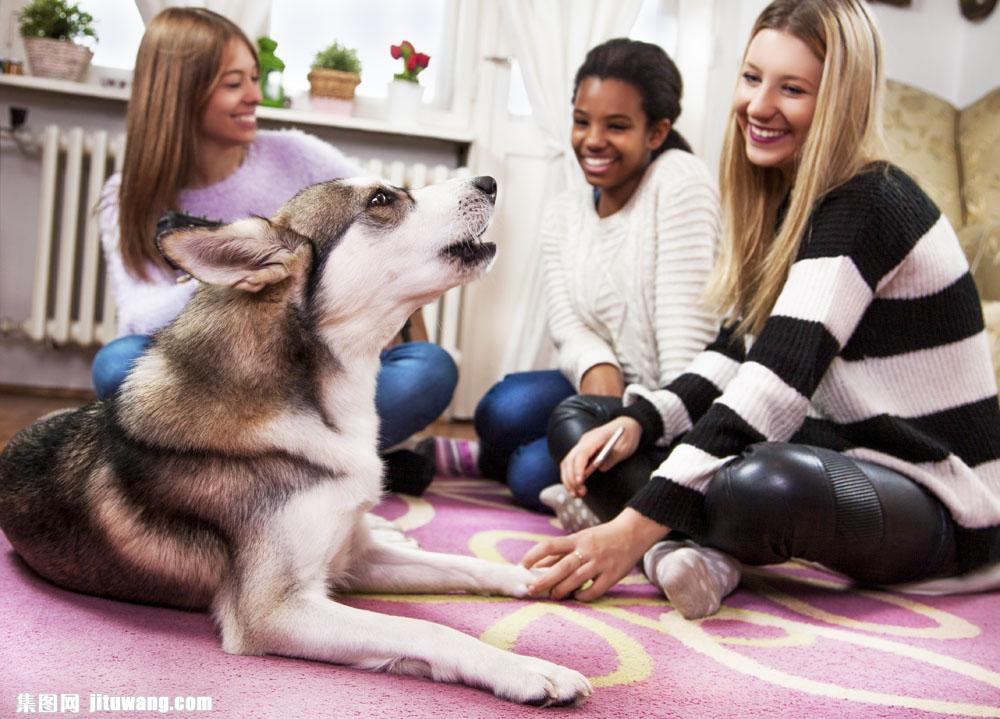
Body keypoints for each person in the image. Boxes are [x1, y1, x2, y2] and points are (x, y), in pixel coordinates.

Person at [524, 0, 1000, 618]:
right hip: (845, 449)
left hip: (942, 502)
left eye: (792, 88)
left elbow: (772, 386)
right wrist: (640, 421)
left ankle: (665, 540)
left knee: (767, 483)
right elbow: (733, 354)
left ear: (839, 100)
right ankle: (686, 552)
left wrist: (630, 529)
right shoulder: (790, 203)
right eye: (752, 78)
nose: (759, 106)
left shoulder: (869, 202)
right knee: (591, 423)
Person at [94, 7, 455, 491]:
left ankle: (292, 468)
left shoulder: (298, 154)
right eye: (233, 83)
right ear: (180, 92)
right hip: (223, 385)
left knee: (429, 369)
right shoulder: (125, 195)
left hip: (326, 372)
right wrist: (235, 262)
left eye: (255, 78)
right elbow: (139, 316)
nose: (255, 96)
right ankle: (352, 465)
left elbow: (391, 216)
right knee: (117, 366)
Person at [436, 39, 721, 512]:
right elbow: (568, 323)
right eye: (582, 121)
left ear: (656, 132)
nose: (591, 140)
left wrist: (643, 422)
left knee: (528, 473)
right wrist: (597, 368)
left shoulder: (680, 181)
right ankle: (522, 464)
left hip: (666, 407)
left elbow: (686, 357)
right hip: (596, 390)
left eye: (617, 126)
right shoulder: (565, 212)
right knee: (499, 410)